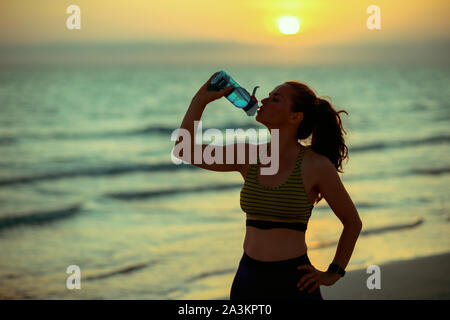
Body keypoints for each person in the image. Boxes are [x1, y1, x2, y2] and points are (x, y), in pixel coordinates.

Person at [173, 72, 363, 300]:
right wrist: (200, 99)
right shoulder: (248, 154)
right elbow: (183, 150)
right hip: (247, 279)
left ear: (295, 117)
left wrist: (333, 273)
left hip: (294, 283)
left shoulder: (316, 165)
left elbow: (352, 223)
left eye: (275, 99)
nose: (263, 100)